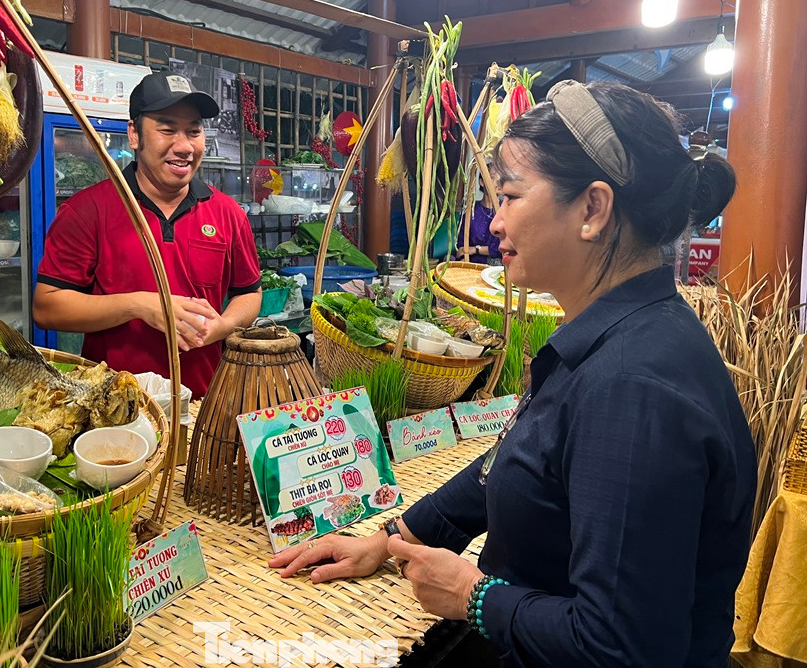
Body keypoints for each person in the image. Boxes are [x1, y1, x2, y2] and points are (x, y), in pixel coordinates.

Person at [270, 81, 756, 668]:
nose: (494, 223)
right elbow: (514, 461)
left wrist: (475, 597)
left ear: (592, 210)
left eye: (509, 197)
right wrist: (393, 538)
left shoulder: (633, 388)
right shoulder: (614, 336)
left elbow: (625, 649)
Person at [33, 71, 262, 398]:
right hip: (112, 407)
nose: (183, 146)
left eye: (193, 131)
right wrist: (140, 306)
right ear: (134, 134)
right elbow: (47, 309)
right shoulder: (88, 210)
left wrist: (223, 327)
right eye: (167, 129)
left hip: (203, 403)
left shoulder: (227, 213)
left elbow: (250, 293)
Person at [458, 182, 501, 264]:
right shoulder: (470, 210)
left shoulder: (506, 210)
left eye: (500, 179)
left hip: (498, 269)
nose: (497, 183)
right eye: (492, 177)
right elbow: (461, 245)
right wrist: (465, 257)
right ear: (482, 182)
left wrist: (475, 249)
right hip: (472, 264)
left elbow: (502, 247)